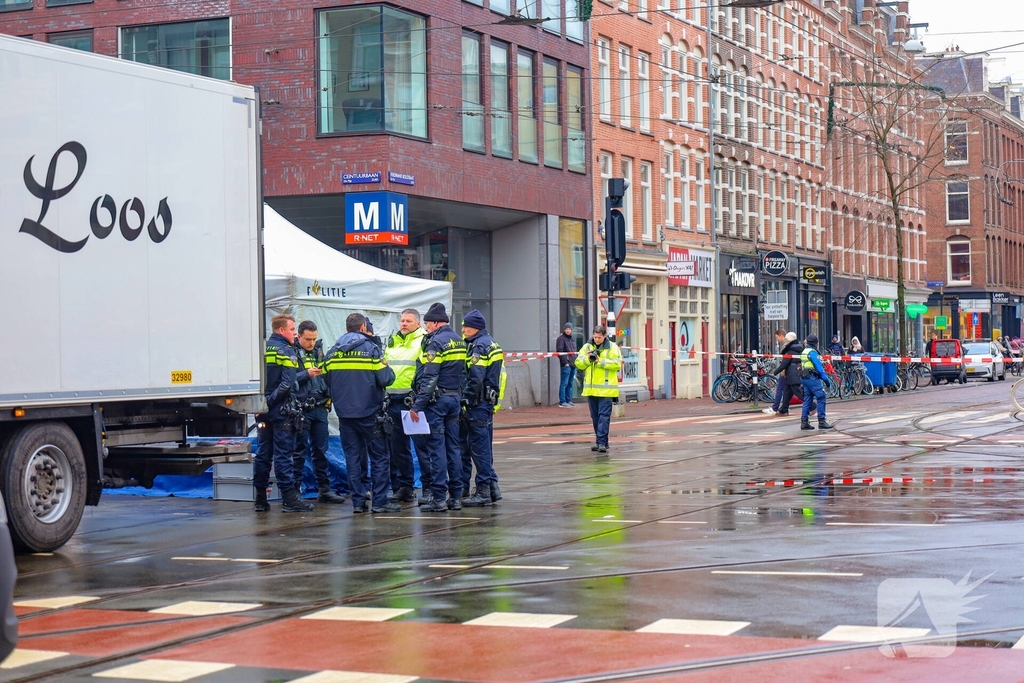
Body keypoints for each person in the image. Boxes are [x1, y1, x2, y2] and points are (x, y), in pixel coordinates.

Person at [324, 312, 400, 514]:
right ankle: (380, 501)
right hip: (370, 413)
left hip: (344, 415)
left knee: (353, 458)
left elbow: (326, 380)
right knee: (380, 457)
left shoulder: (332, 352)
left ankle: (358, 502)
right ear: (364, 327)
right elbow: (386, 378)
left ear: (346, 328)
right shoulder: (371, 350)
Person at [408, 303, 466, 512]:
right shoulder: (459, 341)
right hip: (454, 399)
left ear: (434, 323)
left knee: (436, 450)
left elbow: (430, 377)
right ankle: (456, 497)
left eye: (427, 324)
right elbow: (463, 373)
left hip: (437, 403)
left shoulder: (436, 343)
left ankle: (439, 498)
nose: (426, 328)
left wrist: (417, 405)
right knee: (454, 449)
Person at [253, 314, 314, 513]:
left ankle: (260, 499)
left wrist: (262, 404)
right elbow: (287, 384)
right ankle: (289, 499)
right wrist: (271, 403)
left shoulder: (260, 348)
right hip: (280, 409)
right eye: (292, 329)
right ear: (281, 330)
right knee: (283, 456)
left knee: (263, 454)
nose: (295, 333)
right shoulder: (287, 350)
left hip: (261, 409)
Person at [292, 321, 347, 504]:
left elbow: (329, 377)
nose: (311, 343)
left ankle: (324, 490)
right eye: (308, 339)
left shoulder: (320, 352)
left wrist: (328, 400)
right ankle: (294, 492)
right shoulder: (291, 353)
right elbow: (288, 380)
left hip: (320, 407)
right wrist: (306, 374)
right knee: (299, 451)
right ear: (299, 336)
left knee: (321, 451)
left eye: (314, 339)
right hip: (301, 409)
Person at [459, 309, 504, 507]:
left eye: (466, 326)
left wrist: (466, 399)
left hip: (477, 403)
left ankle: (484, 490)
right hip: (487, 402)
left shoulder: (479, 346)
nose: (463, 330)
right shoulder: (492, 343)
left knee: (479, 448)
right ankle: (492, 488)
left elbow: (476, 377)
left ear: (475, 327)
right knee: (485, 446)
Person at [384, 308, 428, 503]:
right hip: (393, 401)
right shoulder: (392, 342)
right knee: (398, 448)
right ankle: (404, 487)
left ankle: (429, 488)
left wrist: (419, 398)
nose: (404, 324)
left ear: (418, 323)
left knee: (422, 447)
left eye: (408, 321)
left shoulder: (423, 341)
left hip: (413, 402)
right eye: (402, 320)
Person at [575, 325, 622, 453]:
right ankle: (602, 442)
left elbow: (617, 364)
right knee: (595, 417)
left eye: (599, 337)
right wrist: (588, 359)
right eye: (595, 337)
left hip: (606, 390)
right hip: (591, 390)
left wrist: (600, 361)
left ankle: (601, 442)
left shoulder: (612, 347)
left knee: (603, 416)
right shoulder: (587, 347)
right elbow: (578, 363)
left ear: (604, 336)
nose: (596, 339)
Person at [799, 333, 833, 431]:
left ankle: (804, 422)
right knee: (821, 397)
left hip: (804, 377)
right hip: (812, 378)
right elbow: (819, 367)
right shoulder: (813, 352)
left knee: (808, 398)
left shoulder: (804, 351)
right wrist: (825, 380)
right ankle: (822, 421)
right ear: (816, 343)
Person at [776, 332, 803, 417]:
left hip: (792, 374)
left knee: (798, 392)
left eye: (787, 339)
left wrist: (775, 372)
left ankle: (812, 406)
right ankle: (784, 410)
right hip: (793, 373)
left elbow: (784, 364)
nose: (786, 341)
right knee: (787, 392)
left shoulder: (790, 350)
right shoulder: (798, 348)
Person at [763, 329, 788, 415]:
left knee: (780, 389)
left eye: (777, 337)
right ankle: (784, 409)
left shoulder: (785, 345)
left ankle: (775, 408)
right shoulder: (787, 344)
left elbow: (785, 361)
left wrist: (779, 371)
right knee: (787, 390)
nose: (777, 339)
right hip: (788, 371)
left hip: (785, 371)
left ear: (782, 336)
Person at [556, 322, 578, 407]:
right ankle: (562, 401)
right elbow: (560, 352)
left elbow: (574, 352)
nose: (568, 331)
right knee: (564, 383)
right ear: (564, 330)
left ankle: (569, 400)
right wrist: (565, 362)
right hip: (566, 365)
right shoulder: (561, 339)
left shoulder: (572, 339)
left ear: (571, 330)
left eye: (569, 329)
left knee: (570, 383)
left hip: (573, 364)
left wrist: (575, 362)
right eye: (567, 329)